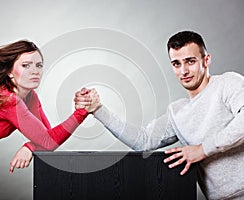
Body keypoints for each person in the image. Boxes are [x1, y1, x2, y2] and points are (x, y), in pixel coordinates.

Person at [75, 31, 244, 200]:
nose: (184, 71)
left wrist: (202, 150)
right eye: (176, 64)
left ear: (206, 60)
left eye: (190, 61)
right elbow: (143, 141)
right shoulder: (176, 112)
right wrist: (97, 110)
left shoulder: (227, 83)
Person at [0, 35, 100, 200]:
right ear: (10, 72)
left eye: (39, 65)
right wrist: (81, 113)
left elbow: (48, 140)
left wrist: (29, 148)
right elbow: (48, 141)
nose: (35, 71)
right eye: (26, 65)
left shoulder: (30, 97)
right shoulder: (8, 100)